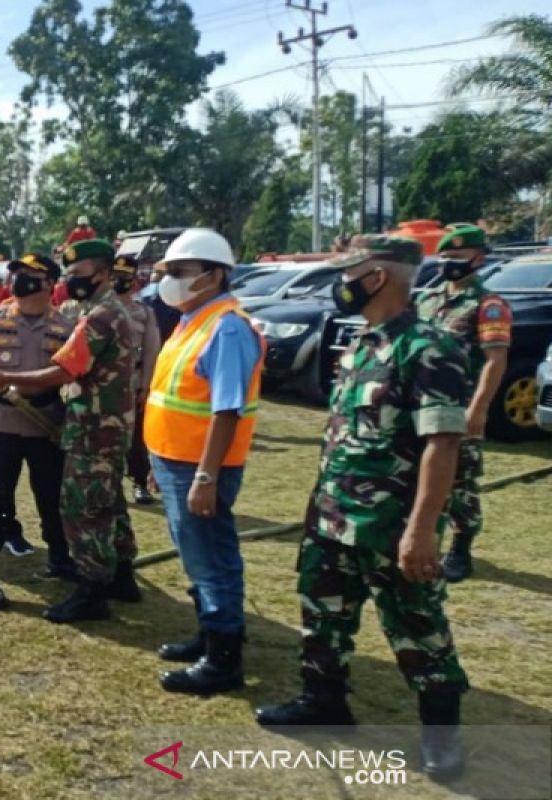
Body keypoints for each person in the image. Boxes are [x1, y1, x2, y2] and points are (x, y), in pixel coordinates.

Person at [256, 235, 470, 782]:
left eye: (351, 273)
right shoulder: (361, 343)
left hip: (390, 523)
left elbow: (442, 445)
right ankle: (324, 701)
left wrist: (422, 531)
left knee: (419, 626)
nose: (342, 283)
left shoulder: (428, 347)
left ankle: (442, 740)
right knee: (323, 613)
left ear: (379, 276)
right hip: (333, 513)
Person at [0, 240, 140, 623]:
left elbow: (64, 371)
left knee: (86, 509)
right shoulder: (108, 311)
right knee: (110, 500)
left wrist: (6, 378)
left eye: (78, 275)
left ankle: (93, 590)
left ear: (102, 274)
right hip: (104, 424)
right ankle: (123, 577)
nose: (72, 282)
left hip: (95, 427)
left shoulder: (99, 317)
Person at [144, 228, 265, 695]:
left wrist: (206, 476)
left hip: (200, 467)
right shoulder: (192, 319)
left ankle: (223, 659)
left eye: (179, 272)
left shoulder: (227, 326)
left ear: (213, 276)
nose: (168, 282)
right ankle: (207, 634)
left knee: (213, 558)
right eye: (167, 273)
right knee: (196, 555)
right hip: (176, 462)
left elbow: (227, 409)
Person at [0, 253, 76, 610]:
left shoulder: (64, 327)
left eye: (29, 275)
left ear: (48, 283)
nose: (19, 281)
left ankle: (60, 556)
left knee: (53, 498)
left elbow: (72, 375)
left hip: (46, 425)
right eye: (17, 275)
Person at [416, 224, 511, 583]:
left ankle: (461, 547)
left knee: (461, 478)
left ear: (478, 259)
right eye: (444, 257)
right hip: (423, 406)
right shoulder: (428, 298)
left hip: (459, 406)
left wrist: (479, 409)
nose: (449, 263)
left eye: (457, 257)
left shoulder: (488, 306)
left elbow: (495, 360)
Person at [113, 255, 161, 505]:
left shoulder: (143, 312)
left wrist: (145, 385)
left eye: (125, 278)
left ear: (133, 281)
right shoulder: (91, 309)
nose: (119, 282)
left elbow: (152, 351)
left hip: (132, 382)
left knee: (135, 439)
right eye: (115, 276)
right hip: (101, 387)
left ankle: (140, 482)